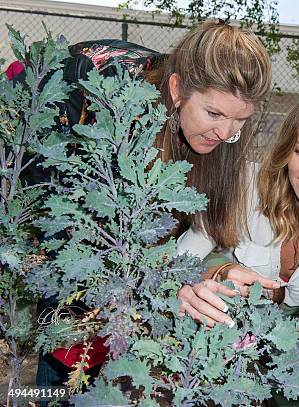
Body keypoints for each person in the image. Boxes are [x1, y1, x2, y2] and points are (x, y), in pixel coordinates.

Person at [29, 19, 273, 394]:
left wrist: (206, 274)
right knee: (71, 336)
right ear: (176, 90)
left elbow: (198, 229)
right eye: (214, 115)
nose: (226, 134)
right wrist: (166, 283)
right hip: (54, 175)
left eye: (239, 119)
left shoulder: (219, 133)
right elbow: (89, 240)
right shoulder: (116, 111)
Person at [177, 91, 299, 406]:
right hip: (227, 317)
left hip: (293, 331)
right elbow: (180, 260)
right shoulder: (245, 185)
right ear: (286, 151)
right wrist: (220, 270)